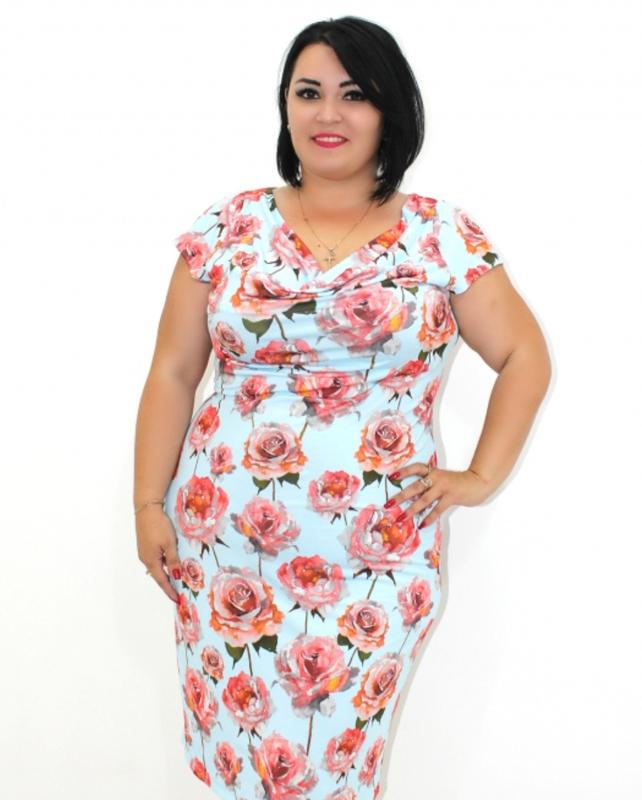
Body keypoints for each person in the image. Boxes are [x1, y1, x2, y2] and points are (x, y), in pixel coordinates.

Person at [133, 15, 551, 800]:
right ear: (285, 108)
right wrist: (147, 503)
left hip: (377, 563)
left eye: (354, 94)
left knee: (335, 768)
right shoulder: (226, 228)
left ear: (391, 109)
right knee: (244, 768)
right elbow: (173, 371)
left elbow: (524, 356)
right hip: (226, 555)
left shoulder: (441, 235)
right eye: (309, 93)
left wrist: (479, 477)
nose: (329, 113)